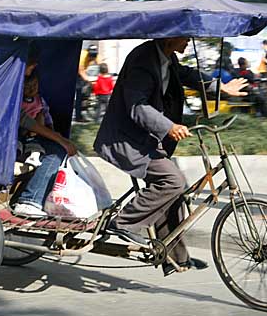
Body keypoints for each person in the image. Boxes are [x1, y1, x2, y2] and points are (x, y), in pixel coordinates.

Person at [94, 38, 247, 276]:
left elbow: (189, 75)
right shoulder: (143, 60)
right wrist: (168, 126)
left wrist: (222, 88)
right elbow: (137, 106)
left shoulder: (167, 58)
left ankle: (176, 259)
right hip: (127, 140)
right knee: (172, 181)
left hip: (147, 140)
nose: (188, 40)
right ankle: (124, 222)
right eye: (184, 35)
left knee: (177, 190)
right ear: (170, 36)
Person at [13, 50, 78, 217]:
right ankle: (29, 200)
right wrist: (62, 141)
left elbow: (43, 122)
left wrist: (60, 138)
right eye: (31, 63)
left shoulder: (38, 100)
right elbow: (27, 121)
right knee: (56, 152)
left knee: (56, 149)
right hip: (13, 141)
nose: (34, 66)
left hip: (28, 137)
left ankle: (35, 197)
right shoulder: (13, 92)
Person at [74, 43, 100, 122]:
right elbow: (80, 71)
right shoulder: (82, 56)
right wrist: (90, 81)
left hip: (83, 73)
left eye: (93, 56)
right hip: (74, 73)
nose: (92, 58)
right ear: (88, 52)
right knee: (79, 94)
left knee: (83, 95)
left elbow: (101, 65)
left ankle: (81, 114)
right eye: (91, 56)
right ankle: (78, 117)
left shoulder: (96, 55)